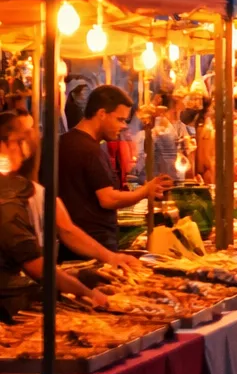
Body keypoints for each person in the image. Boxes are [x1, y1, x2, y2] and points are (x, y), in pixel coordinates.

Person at [0, 114, 111, 313]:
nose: (25, 150)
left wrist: (110, 257)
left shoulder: (20, 190)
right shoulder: (6, 201)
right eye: (20, 142)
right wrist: (87, 293)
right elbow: (36, 266)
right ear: (4, 145)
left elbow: (66, 229)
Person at [58, 86, 171, 261]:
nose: (124, 126)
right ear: (102, 113)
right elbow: (108, 198)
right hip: (92, 248)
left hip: (69, 247)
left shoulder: (62, 142)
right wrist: (144, 191)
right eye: (120, 119)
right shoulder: (90, 151)